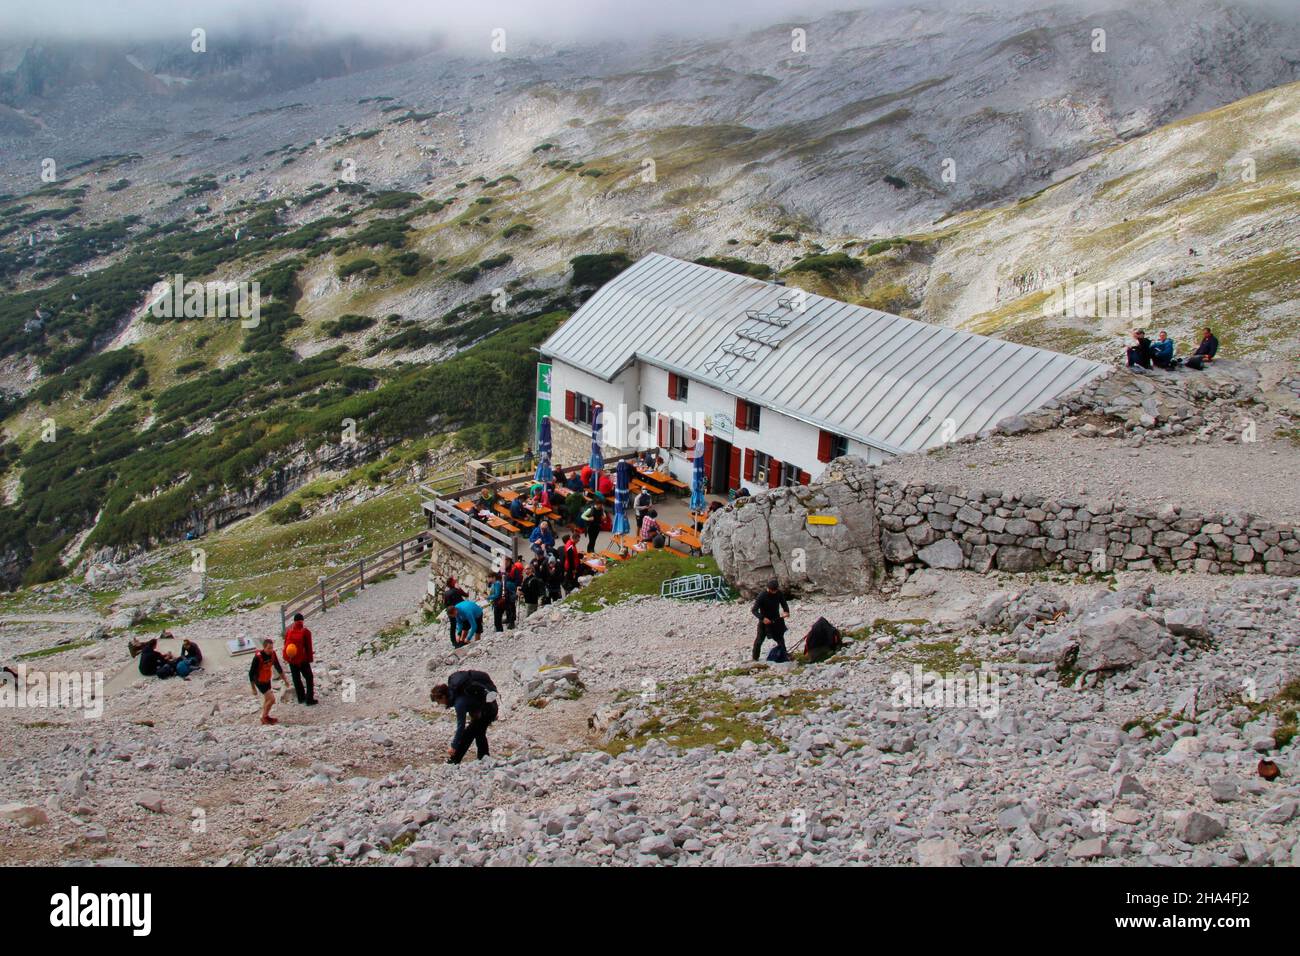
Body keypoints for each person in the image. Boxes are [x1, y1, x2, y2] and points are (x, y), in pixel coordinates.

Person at [430, 670, 499, 764]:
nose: (439, 704)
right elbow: (472, 701)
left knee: (468, 734)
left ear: (443, 697)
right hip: (489, 707)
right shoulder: (456, 692)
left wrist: (454, 746)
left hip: (489, 710)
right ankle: (483, 758)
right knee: (478, 731)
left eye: (438, 701)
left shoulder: (459, 703)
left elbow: (460, 726)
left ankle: (454, 761)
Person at [248, 638, 290, 725]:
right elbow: (251, 673)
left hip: (267, 679)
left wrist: (285, 680)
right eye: (269, 648)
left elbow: (278, 667)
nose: (271, 650)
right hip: (259, 680)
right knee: (272, 699)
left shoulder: (273, 654)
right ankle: (264, 717)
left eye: (272, 648)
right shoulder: (258, 657)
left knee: (268, 699)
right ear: (264, 648)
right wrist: (253, 688)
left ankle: (265, 716)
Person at [751, 578, 791, 662]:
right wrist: (762, 618)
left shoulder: (779, 593)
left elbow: (784, 603)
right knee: (759, 640)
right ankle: (755, 658)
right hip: (764, 622)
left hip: (776, 620)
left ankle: (784, 656)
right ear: (768, 588)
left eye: (775, 590)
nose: (774, 592)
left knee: (780, 639)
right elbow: (754, 610)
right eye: (772, 590)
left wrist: (786, 611)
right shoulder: (762, 596)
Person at [282, 612, 317, 706]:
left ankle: (301, 698)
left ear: (294, 621)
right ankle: (309, 699)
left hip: (291, 659)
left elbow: (285, 644)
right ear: (302, 621)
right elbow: (308, 647)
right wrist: (310, 659)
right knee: (309, 678)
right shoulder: (305, 631)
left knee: (296, 678)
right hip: (303, 660)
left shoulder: (289, 631)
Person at [441, 577, 468, 647]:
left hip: (450, 611)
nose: (455, 580)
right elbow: (466, 595)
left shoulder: (445, 593)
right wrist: (459, 588)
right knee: (463, 624)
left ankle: (454, 642)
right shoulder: (457, 590)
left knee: (453, 626)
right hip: (460, 610)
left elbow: (445, 605)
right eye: (454, 580)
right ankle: (462, 640)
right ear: (452, 583)